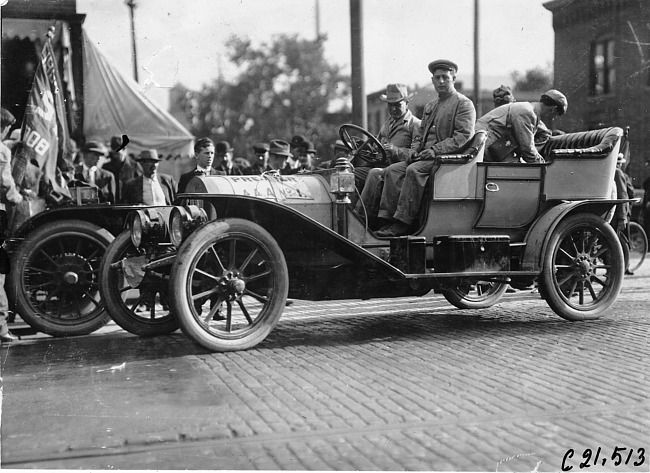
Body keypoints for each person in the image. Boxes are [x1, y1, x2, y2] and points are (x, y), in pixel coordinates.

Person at [374, 60, 476, 237]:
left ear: (454, 78)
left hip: (445, 160)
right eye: (437, 78)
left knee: (414, 170)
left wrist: (436, 150)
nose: (441, 81)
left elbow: (463, 136)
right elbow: (420, 134)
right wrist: (414, 149)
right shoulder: (431, 106)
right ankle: (388, 220)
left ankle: (403, 223)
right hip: (425, 157)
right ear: (433, 80)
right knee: (392, 170)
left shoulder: (463, 104)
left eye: (445, 77)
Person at [356, 83, 422, 222]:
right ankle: (344, 209)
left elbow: (416, 154)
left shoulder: (415, 125)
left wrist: (395, 150)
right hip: (383, 165)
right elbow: (377, 146)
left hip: (400, 172)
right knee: (351, 174)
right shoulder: (386, 125)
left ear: (407, 103)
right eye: (390, 105)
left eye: (397, 105)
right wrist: (371, 152)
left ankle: (360, 216)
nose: (393, 108)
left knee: (374, 174)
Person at [476, 89, 568, 164]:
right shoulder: (527, 112)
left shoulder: (530, 110)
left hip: (491, 146)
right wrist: (543, 165)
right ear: (554, 109)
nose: (553, 118)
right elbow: (527, 148)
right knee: (518, 170)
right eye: (556, 115)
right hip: (483, 145)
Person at [0, 108, 23, 341]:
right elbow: (7, 188)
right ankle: (1, 329)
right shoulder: (2, 152)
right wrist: (19, 198)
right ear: (5, 127)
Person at [612, 154, 636, 275]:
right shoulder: (618, 173)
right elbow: (626, 194)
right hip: (617, 214)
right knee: (620, 243)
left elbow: (623, 195)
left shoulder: (614, 173)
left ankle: (621, 270)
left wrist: (622, 216)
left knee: (619, 243)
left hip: (615, 214)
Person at [102, 135, 142, 203]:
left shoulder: (134, 166)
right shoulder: (106, 167)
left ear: (125, 150)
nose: (116, 155)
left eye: (118, 153)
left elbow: (141, 185)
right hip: (112, 204)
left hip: (129, 203)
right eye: (114, 152)